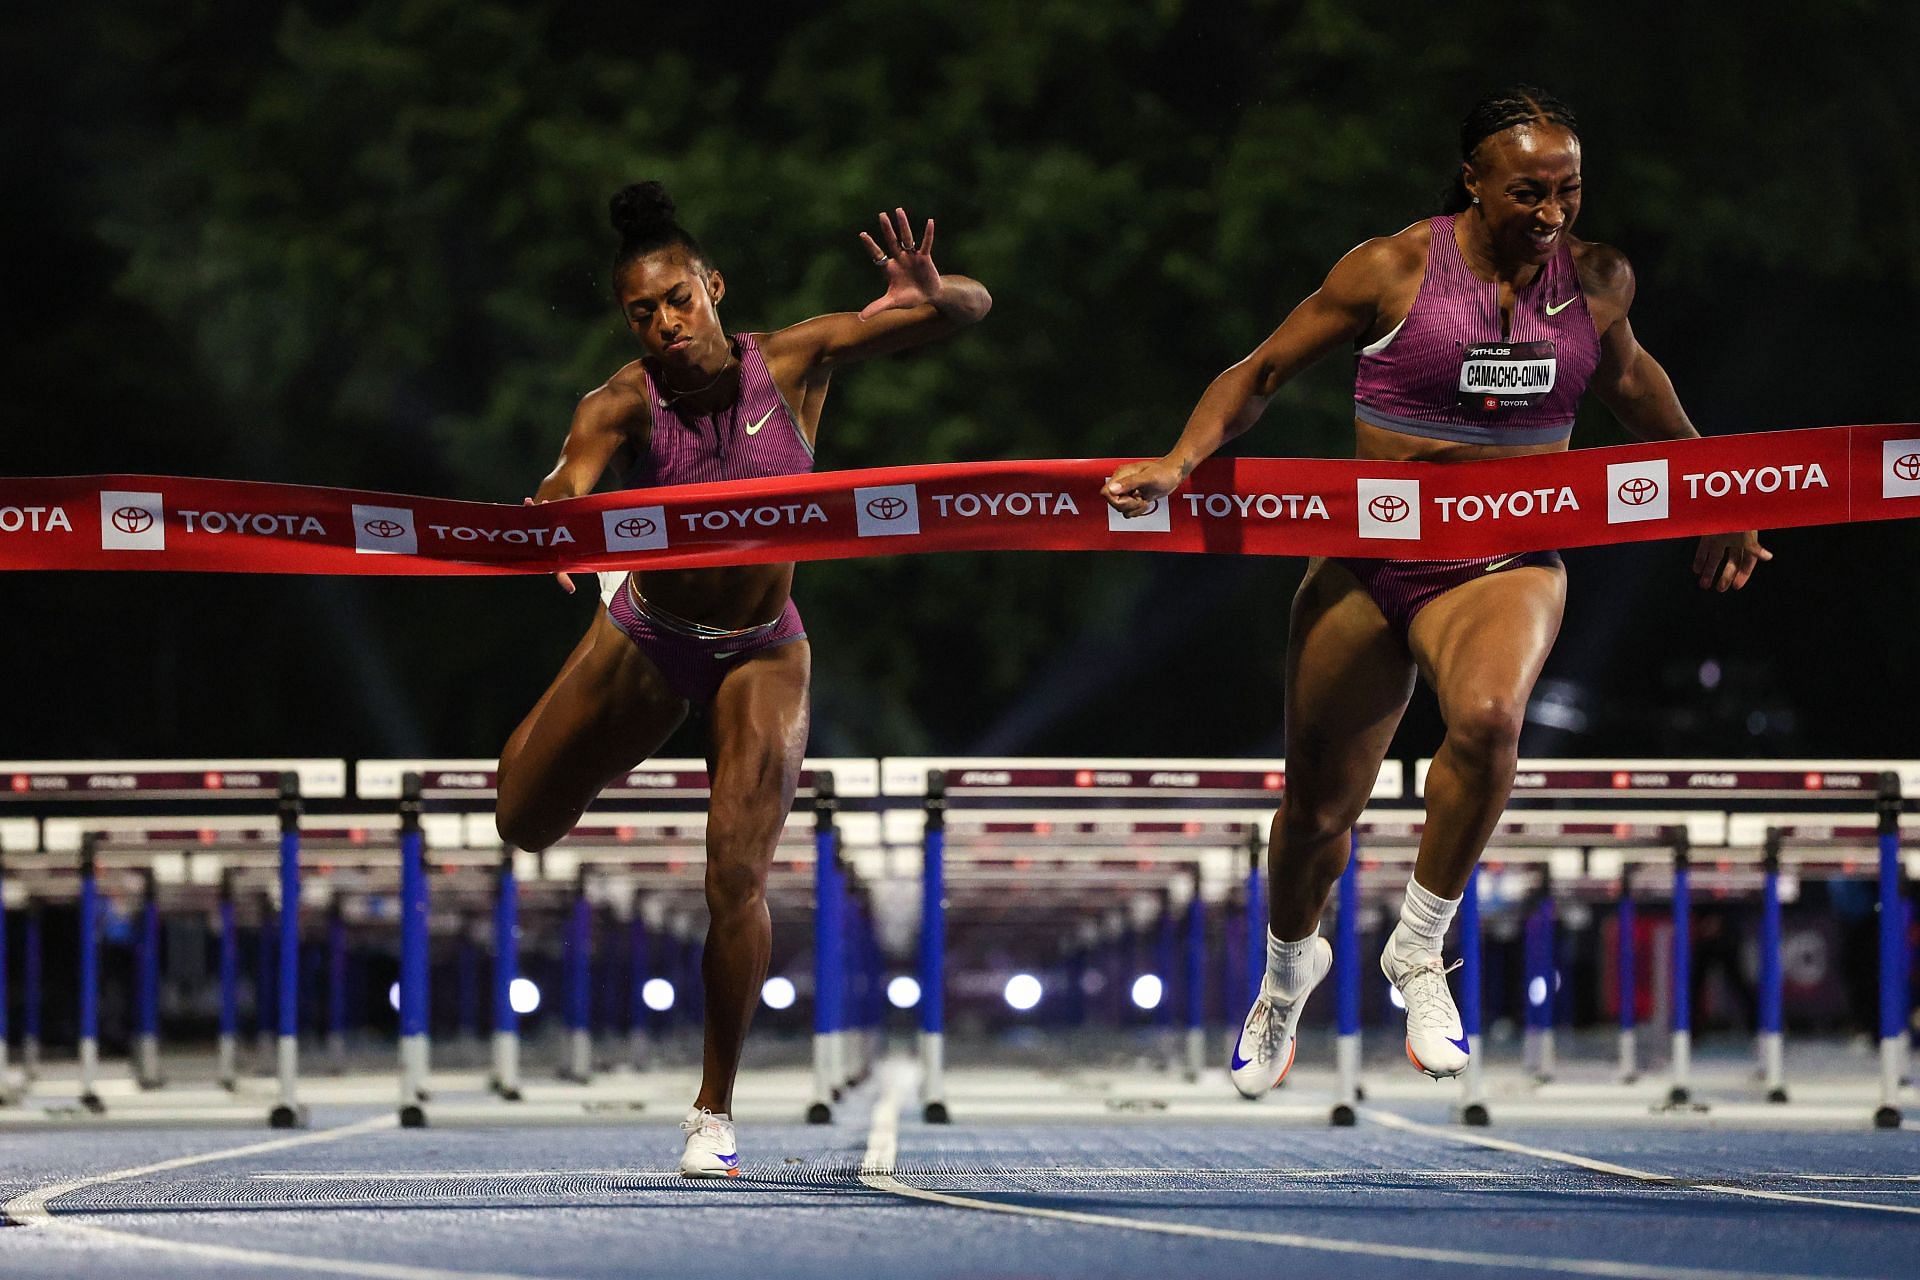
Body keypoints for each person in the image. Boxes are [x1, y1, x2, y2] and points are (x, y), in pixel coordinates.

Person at [1103, 86, 1768, 1097]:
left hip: (1507, 558)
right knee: (1318, 812)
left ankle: (1420, 947)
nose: (1551, 214)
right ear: (1472, 180)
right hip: (1370, 557)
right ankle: (1288, 972)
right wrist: (1180, 458)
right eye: (1528, 192)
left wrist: (1714, 491)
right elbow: (1261, 369)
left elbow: (1632, 383)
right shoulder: (1393, 267)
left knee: (1493, 718)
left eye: (1570, 191)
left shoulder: (1597, 281)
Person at [495, 182, 990, 1171]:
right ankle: (612, 696)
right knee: (520, 816)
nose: (666, 323)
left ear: (713, 287)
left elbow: (971, 310)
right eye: (644, 312)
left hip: (761, 648)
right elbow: (569, 472)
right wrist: (555, 509)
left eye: (678, 298)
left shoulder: (799, 359)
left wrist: (933, 294)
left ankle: (712, 1110)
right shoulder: (625, 398)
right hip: (650, 627)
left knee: (736, 876)